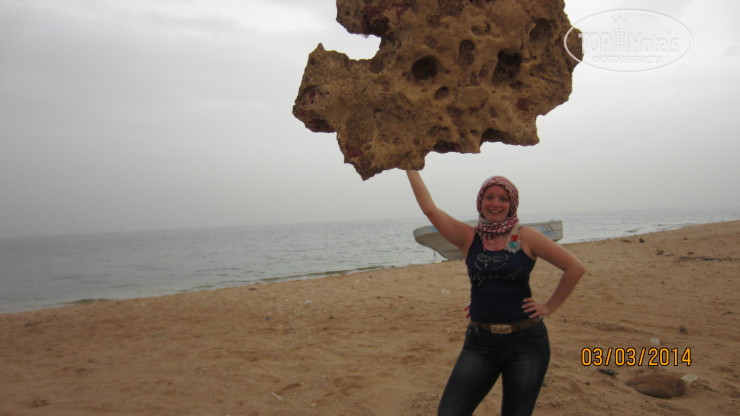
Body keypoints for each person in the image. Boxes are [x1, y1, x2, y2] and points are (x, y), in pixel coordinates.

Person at [405, 170, 585, 416]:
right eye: (489, 197)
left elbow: (574, 268)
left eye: (503, 198)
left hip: (527, 343)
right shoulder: (469, 237)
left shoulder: (526, 237)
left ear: (512, 204)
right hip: (480, 343)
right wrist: (410, 167)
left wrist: (549, 306)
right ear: (480, 201)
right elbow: (430, 210)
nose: (495, 204)